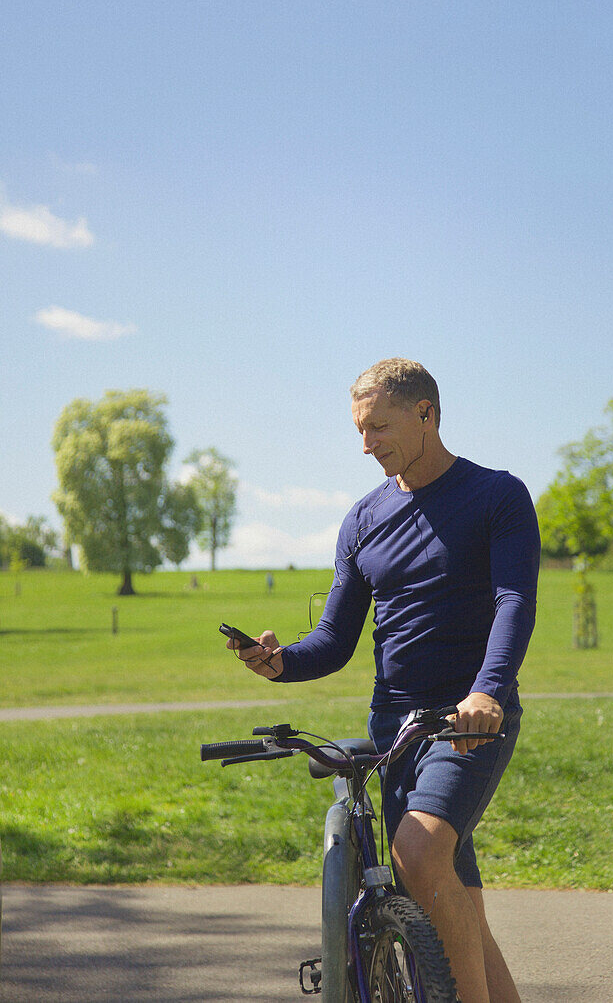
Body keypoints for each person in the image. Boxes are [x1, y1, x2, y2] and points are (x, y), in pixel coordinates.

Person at [229, 358, 540, 1003]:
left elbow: (515, 601)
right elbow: (335, 640)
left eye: (378, 427)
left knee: (419, 858)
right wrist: (281, 660)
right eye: (359, 431)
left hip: (467, 721)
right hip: (392, 721)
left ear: (426, 413)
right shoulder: (364, 519)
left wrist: (488, 693)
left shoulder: (497, 497)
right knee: (454, 903)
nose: (366, 444)